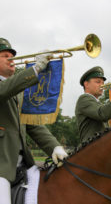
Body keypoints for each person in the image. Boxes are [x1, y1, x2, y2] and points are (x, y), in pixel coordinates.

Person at [0, 38, 68, 204]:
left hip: (24, 166)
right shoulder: (10, 88)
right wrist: (36, 69)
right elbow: (4, 90)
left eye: (13, 55)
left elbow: (32, 125)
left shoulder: (17, 91)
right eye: (5, 55)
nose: (12, 59)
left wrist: (54, 147)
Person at [75, 66, 111, 143]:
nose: (102, 85)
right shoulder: (84, 99)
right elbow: (103, 114)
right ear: (86, 84)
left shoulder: (97, 103)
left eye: (102, 82)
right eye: (98, 82)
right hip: (91, 149)